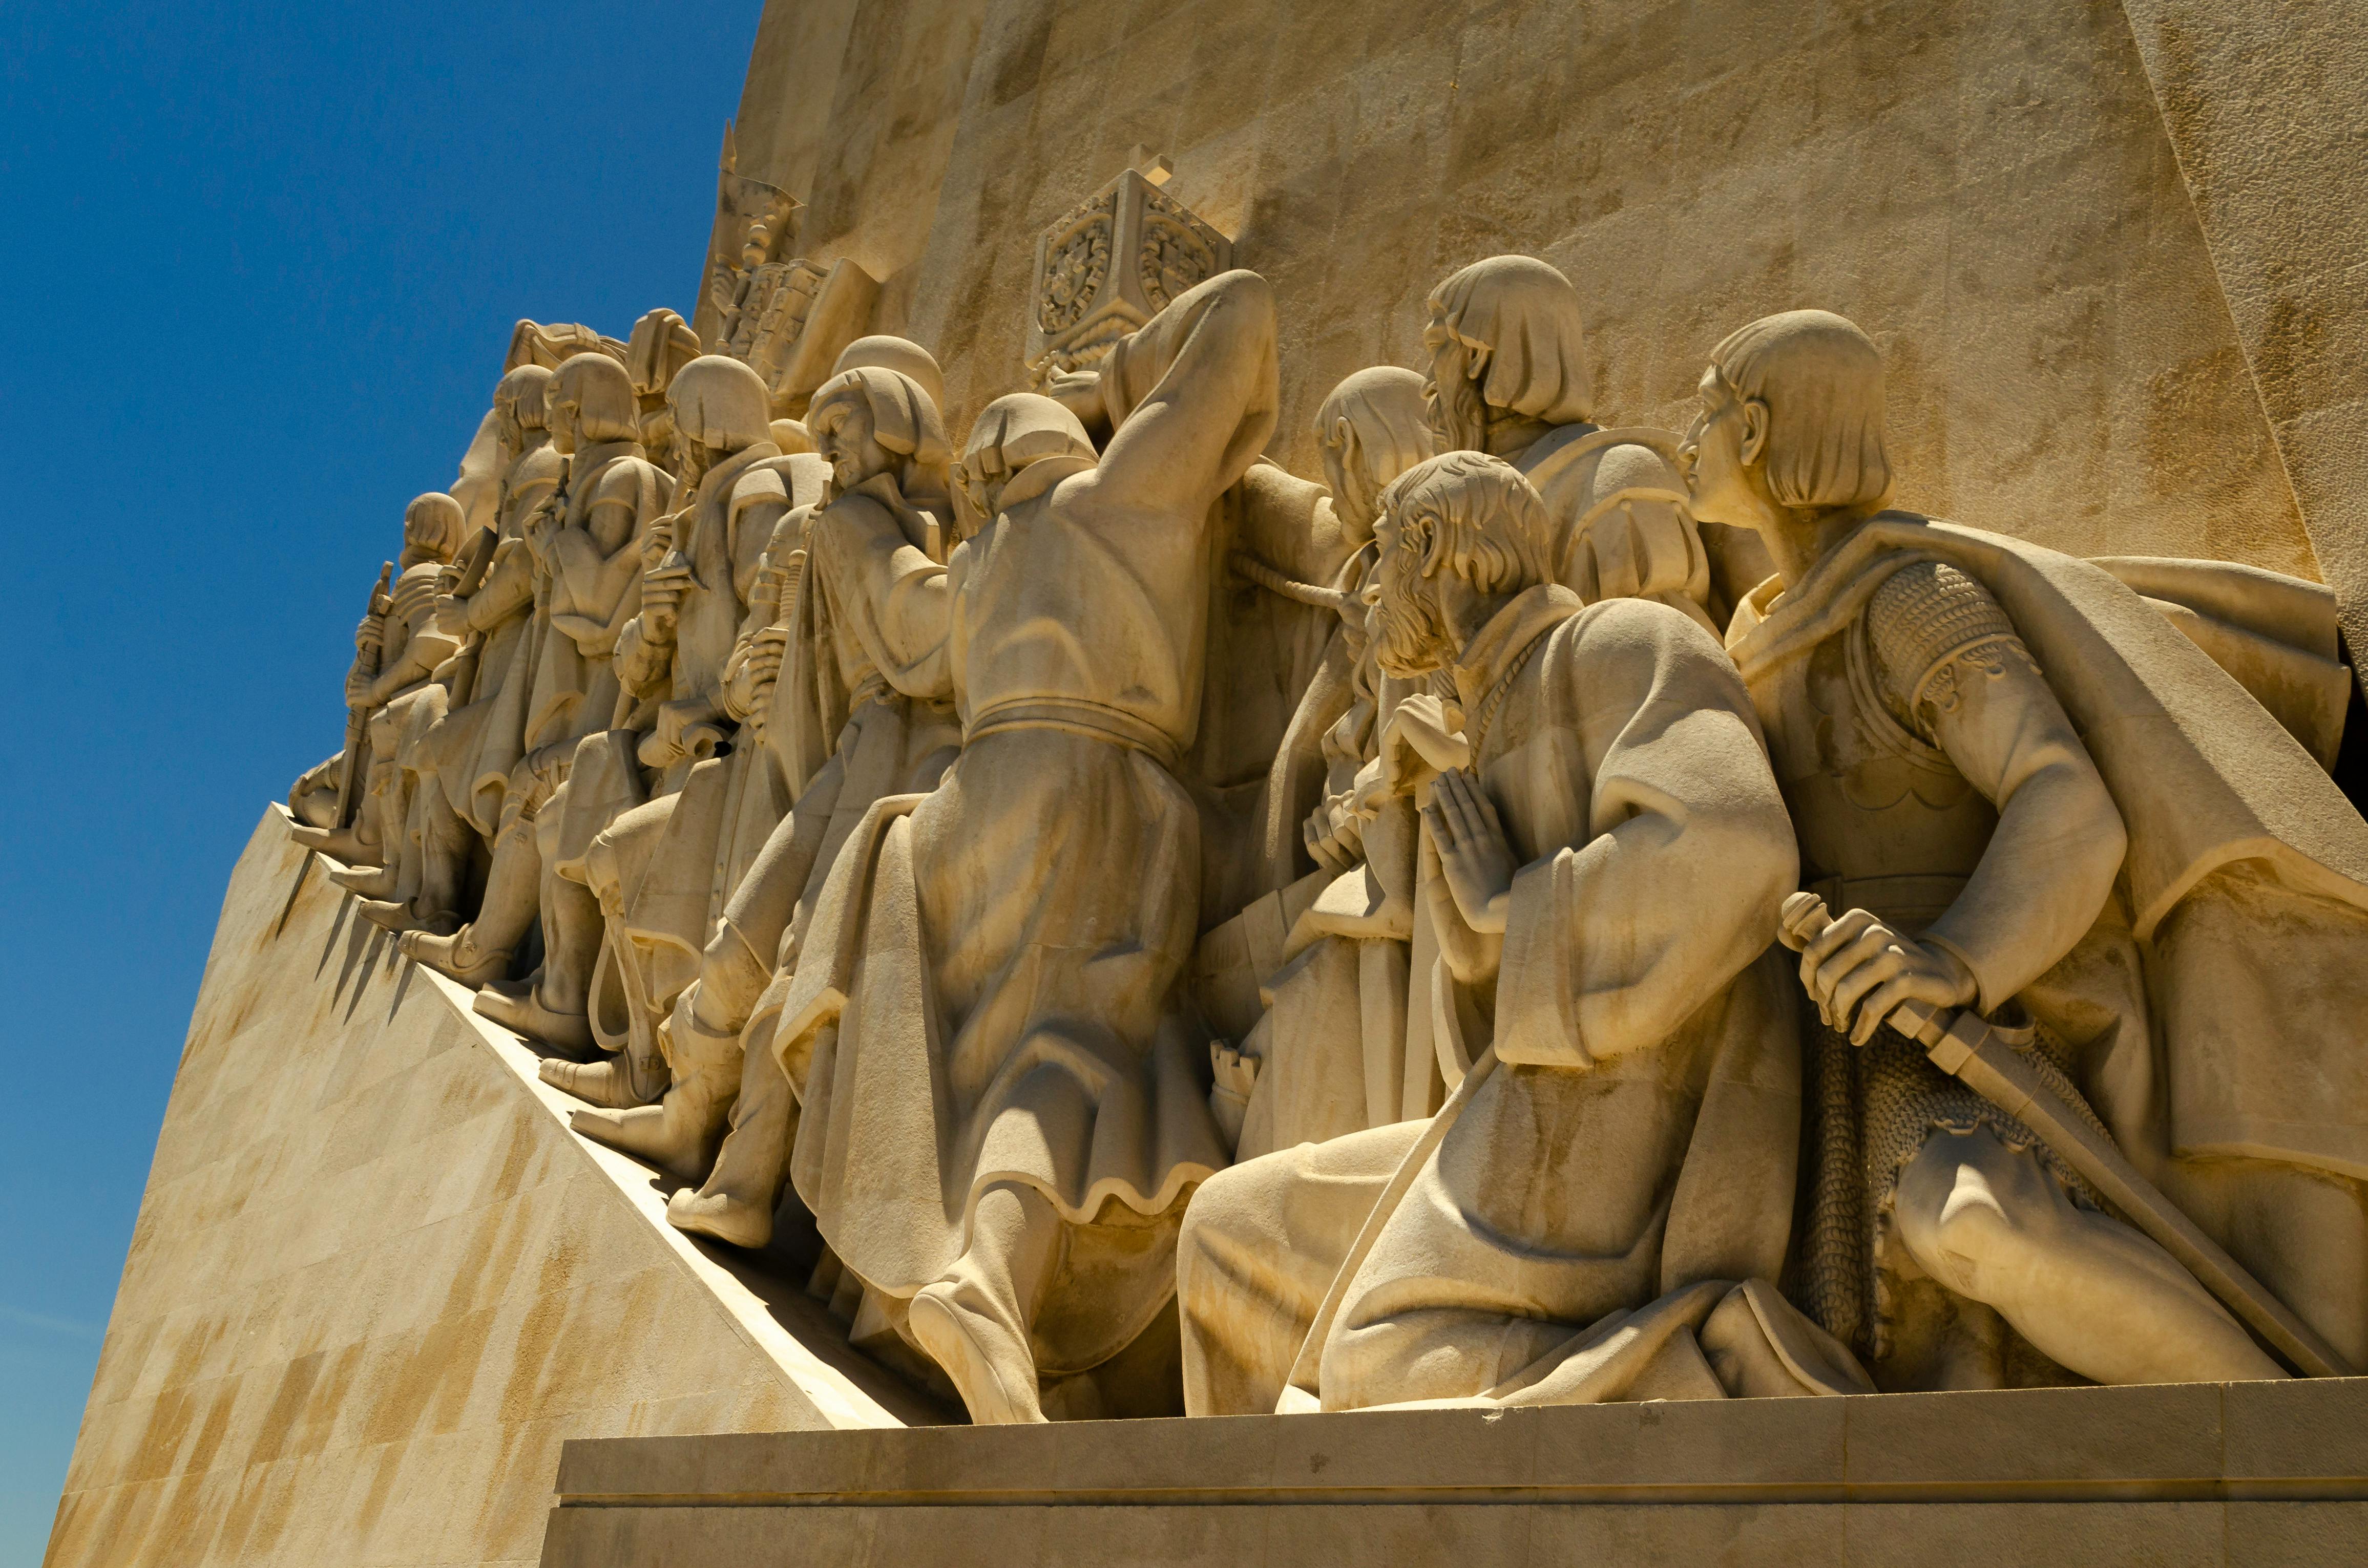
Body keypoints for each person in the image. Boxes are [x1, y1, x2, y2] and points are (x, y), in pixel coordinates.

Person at [1689, 309, 2351, 1386]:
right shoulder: (1745, 637)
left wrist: (1951, 955)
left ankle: (2288, 1428)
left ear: (1757, 430)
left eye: (1707, 409)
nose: (1688, 437)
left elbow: (2064, 800)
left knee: (1982, 1226)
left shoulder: (1905, 601)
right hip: (1802, 1046)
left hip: (1955, 1022)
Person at [1177, 452, 1857, 1415]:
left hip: (1636, 1117)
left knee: (1367, 1358)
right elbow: (1483, 991)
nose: (1370, 593)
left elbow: (1737, 846)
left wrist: (1518, 905)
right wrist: (1442, 846)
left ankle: (1696, 1369)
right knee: (1224, 1234)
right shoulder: (1482, 718)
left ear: (1432, 548)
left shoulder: (1624, 641)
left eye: (1383, 559)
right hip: (1527, 1110)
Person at [765, 270, 1276, 1422]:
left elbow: (903, 647)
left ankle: (971, 1282)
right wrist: (1116, 385)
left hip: (967, 804)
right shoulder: (1121, 496)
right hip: (1093, 796)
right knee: (1078, 1055)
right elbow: (1239, 311)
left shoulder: (979, 565)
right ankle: (989, 1283)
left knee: (1009, 1064)